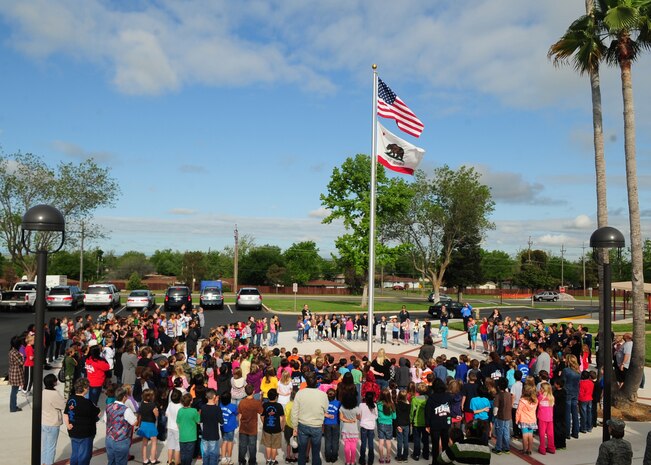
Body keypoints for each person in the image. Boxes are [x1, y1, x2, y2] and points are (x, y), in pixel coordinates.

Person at [292, 371, 329, 465]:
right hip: (316, 426)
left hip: (303, 425)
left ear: (306, 382)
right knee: (316, 453)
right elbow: (326, 409)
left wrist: (294, 427)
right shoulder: (323, 395)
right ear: (316, 381)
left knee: (301, 452)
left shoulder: (300, 393)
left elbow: (295, 412)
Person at [64, 378, 101, 465]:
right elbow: (98, 413)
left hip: (73, 431)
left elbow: (66, 414)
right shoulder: (87, 402)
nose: (88, 389)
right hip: (86, 433)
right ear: (84, 388)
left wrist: (68, 424)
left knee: (75, 454)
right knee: (84, 456)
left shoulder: (71, 399)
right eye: (87, 387)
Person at [104, 386, 138, 465]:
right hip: (121, 440)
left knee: (111, 461)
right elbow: (134, 423)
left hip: (109, 439)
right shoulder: (126, 409)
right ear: (124, 397)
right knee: (121, 462)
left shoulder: (108, 407)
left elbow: (106, 421)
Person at [42, 373, 67, 465]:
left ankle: (43, 462)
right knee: (51, 447)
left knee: (45, 446)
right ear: (53, 382)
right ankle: (49, 463)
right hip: (53, 423)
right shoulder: (54, 394)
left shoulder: (43, 392)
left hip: (44, 422)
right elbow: (62, 405)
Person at [425, 378, 452, 459]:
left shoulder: (431, 398)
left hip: (435, 423)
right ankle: (445, 461)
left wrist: (427, 424)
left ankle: (435, 462)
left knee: (435, 445)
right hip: (446, 422)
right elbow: (451, 407)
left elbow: (427, 412)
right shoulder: (448, 396)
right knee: (445, 444)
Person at [238, 384, 263, 465]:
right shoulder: (256, 403)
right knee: (252, 446)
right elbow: (261, 412)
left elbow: (239, 416)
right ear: (253, 392)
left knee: (242, 446)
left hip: (243, 428)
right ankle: (252, 461)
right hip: (252, 428)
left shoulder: (242, 402)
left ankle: (241, 461)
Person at [201, 389, 225, 465]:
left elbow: (201, 421)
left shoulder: (203, 408)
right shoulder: (217, 409)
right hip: (214, 435)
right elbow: (222, 422)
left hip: (205, 434)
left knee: (205, 454)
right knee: (213, 455)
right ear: (214, 396)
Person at [137, 388, 160, 465]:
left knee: (144, 443)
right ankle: (153, 459)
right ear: (150, 397)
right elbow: (156, 415)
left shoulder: (142, 404)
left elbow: (139, 414)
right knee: (154, 441)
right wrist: (157, 410)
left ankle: (145, 460)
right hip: (151, 425)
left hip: (143, 424)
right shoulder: (153, 405)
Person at [261, 388, 284, 465]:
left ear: (268, 396)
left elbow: (262, 416)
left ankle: (268, 460)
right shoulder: (279, 406)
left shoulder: (265, 405)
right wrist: (282, 426)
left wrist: (264, 423)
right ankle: (273, 461)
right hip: (276, 428)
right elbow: (282, 418)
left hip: (266, 428)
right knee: (274, 446)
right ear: (276, 397)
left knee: (268, 445)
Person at [177, 393, 200, 465]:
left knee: (183, 453)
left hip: (182, 436)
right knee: (189, 454)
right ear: (191, 401)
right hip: (191, 436)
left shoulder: (180, 410)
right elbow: (198, 421)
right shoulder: (194, 411)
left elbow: (178, 423)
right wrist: (199, 414)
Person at [492, 377, 512, 455]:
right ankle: (506, 447)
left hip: (500, 416)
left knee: (499, 432)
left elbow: (496, 408)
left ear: (498, 386)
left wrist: (494, 414)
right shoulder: (509, 394)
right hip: (507, 416)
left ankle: (498, 448)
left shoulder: (498, 395)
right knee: (506, 432)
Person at [377, 388, 396, 464]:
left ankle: (381, 458)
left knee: (381, 442)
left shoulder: (378, 404)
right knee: (388, 442)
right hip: (389, 424)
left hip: (381, 424)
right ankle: (388, 458)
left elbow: (376, 414)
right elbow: (394, 417)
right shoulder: (391, 405)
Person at [359, 391, 378, 465]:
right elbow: (376, 416)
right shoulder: (375, 405)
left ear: (365, 398)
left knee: (363, 443)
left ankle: (362, 460)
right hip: (371, 427)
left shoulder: (361, 405)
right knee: (371, 444)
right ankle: (371, 460)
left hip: (364, 426)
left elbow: (359, 415)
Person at [220, 392, 239, 465]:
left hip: (223, 426)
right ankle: (229, 459)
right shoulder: (233, 406)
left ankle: (223, 459)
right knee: (230, 442)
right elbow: (237, 413)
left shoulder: (220, 405)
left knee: (224, 441)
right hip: (231, 427)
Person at [323, 388, 341, 463]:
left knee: (327, 440)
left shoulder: (324, 403)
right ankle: (334, 457)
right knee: (335, 441)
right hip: (336, 423)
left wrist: (327, 415)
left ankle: (327, 457)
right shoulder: (338, 403)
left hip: (327, 423)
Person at [165, 389, 183, 465]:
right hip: (177, 428)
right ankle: (177, 462)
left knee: (170, 445)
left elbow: (166, 414)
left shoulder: (170, 404)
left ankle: (169, 461)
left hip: (170, 426)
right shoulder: (181, 406)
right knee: (177, 447)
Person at [8, 335, 25, 412]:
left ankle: (13, 406)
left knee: (14, 391)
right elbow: (21, 362)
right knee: (14, 392)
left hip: (13, 372)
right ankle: (13, 407)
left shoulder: (12, 350)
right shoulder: (14, 353)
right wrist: (23, 357)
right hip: (16, 373)